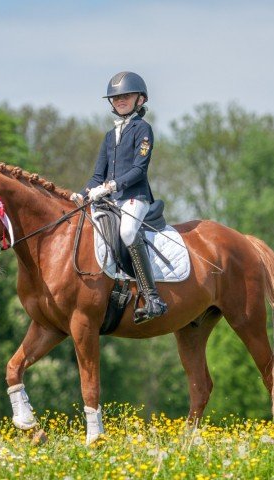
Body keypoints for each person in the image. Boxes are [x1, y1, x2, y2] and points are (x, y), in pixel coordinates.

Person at [71, 71, 167, 323]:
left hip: (135, 197)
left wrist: (111, 186)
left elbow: (139, 170)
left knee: (126, 233)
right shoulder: (108, 136)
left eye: (126, 95)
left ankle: (153, 297)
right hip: (111, 200)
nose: (120, 100)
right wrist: (81, 195)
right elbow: (96, 176)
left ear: (140, 99)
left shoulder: (143, 129)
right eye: (115, 97)